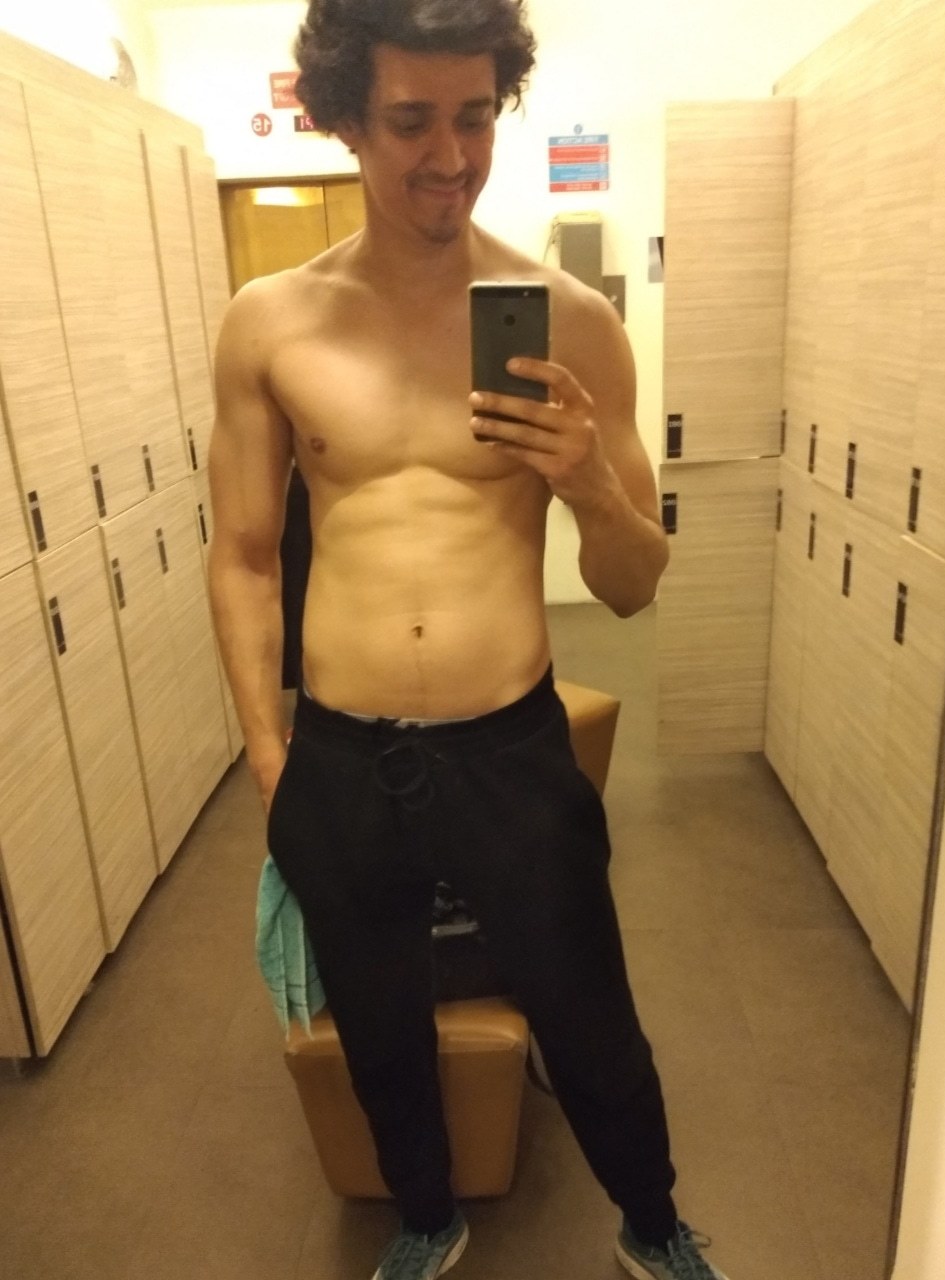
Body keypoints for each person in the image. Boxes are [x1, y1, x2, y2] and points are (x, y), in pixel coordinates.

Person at [207, 2, 727, 1278]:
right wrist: (270, 754)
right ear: (343, 118)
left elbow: (632, 588)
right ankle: (426, 1213)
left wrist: (590, 487)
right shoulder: (270, 323)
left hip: (510, 751)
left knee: (588, 1010)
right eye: (411, 121)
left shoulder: (569, 321)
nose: (449, 157)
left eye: (475, 117)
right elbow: (245, 555)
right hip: (340, 756)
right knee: (378, 1017)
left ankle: (653, 1224)